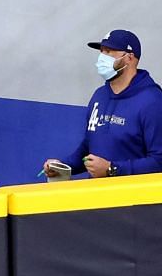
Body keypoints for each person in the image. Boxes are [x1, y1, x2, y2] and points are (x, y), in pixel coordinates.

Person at [44, 30, 162, 181]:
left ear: (129, 58)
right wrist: (63, 166)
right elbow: (89, 148)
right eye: (101, 52)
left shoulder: (152, 101)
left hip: (135, 200)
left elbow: (159, 161)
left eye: (108, 52)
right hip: (99, 197)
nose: (102, 58)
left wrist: (112, 169)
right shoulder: (99, 96)